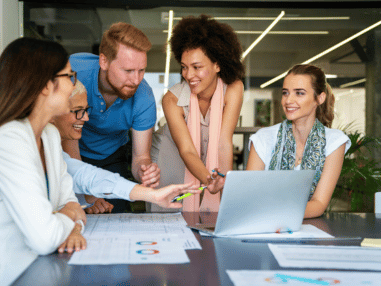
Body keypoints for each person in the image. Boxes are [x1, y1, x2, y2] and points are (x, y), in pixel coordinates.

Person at [0, 37, 87, 274]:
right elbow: (44, 236)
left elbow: (71, 204)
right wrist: (68, 215)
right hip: (11, 272)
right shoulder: (8, 139)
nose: (72, 86)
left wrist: (71, 224)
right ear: (46, 85)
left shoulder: (48, 135)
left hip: (41, 266)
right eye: (69, 77)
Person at [51, 81, 201, 213]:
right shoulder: (35, 146)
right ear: (54, 110)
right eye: (78, 111)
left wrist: (152, 195)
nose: (86, 118)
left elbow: (84, 175)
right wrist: (72, 216)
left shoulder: (50, 141)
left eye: (86, 110)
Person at [150, 15, 244, 212]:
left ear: (217, 65)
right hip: (171, 154)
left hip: (205, 157)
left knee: (218, 211)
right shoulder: (172, 99)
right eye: (184, 67)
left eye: (197, 67)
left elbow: (224, 142)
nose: (188, 75)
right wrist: (210, 180)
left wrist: (223, 181)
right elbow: (187, 150)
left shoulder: (233, 89)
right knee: (171, 211)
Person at [68, 22, 160, 212]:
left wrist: (144, 172)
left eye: (141, 70)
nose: (136, 80)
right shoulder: (73, 73)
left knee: (116, 213)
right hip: (69, 152)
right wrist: (87, 196)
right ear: (104, 62)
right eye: (128, 71)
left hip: (111, 157)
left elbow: (141, 157)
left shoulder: (144, 97)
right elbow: (64, 136)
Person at [246, 64, 351, 218]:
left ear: (319, 98)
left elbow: (319, 204)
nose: (289, 100)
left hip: (308, 228)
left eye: (299, 93)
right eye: (285, 93)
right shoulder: (263, 138)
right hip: (265, 225)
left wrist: (276, 212)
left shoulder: (334, 141)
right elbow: (249, 195)